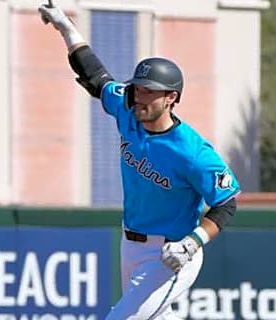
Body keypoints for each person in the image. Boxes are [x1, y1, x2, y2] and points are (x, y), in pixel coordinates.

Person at [38, 2, 241, 319]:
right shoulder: (128, 110)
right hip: (130, 243)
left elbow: (227, 202)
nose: (139, 97)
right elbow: (95, 76)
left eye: (149, 92)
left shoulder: (193, 152)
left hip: (171, 253)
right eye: (136, 89)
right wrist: (66, 28)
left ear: (171, 98)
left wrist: (193, 242)